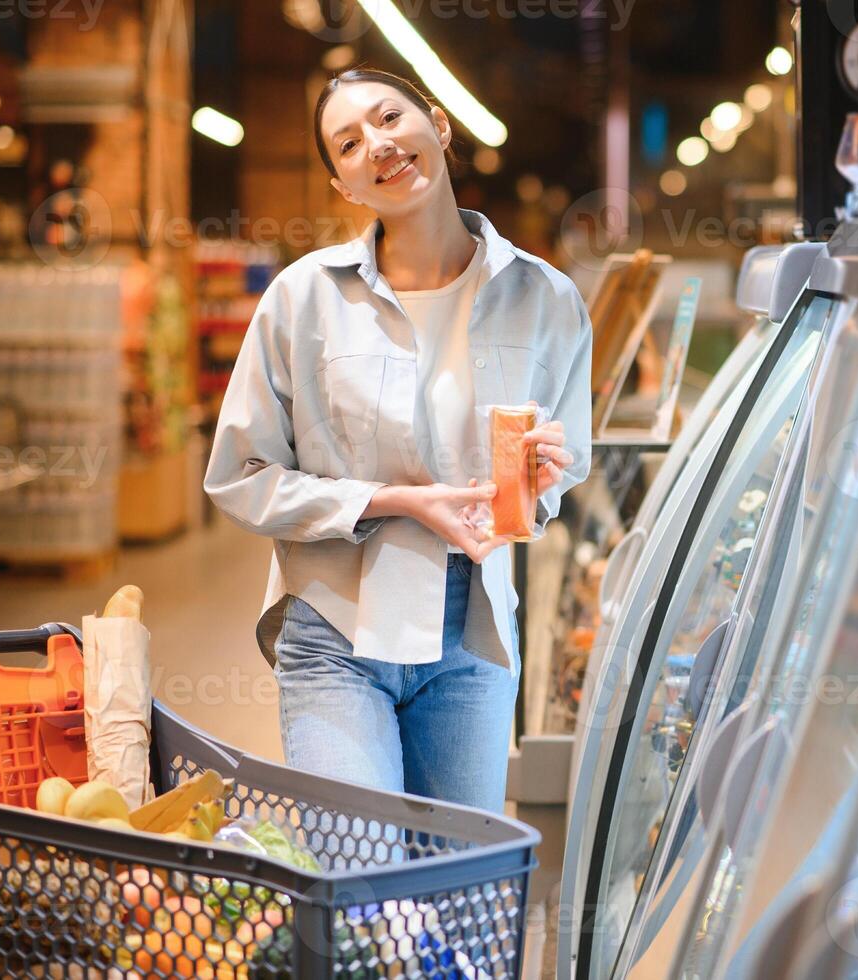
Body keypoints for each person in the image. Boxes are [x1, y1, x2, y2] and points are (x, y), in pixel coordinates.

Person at [204, 67, 591, 813]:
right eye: (348, 144)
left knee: (459, 896)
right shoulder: (302, 298)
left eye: (388, 118)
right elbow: (240, 475)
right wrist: (394, 501)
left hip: (472, 632)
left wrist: (539, 483)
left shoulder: (546, 298)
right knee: (360, 884)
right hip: (335, 626)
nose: (376, 145)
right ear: (345, 187)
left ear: (439, 127)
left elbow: (561, 469)